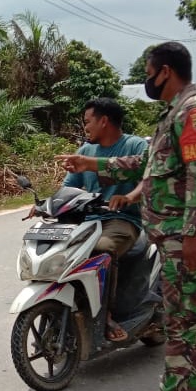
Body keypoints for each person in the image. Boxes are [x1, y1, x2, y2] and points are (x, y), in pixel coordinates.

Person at [57, 41, 196, 391]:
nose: (146, 79)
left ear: (165, 72)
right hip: (177, 232)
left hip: (189, 233)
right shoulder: (176, 112)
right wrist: (93, 162)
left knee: (183, 318)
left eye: (148, 71)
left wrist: (193, 236)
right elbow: (147, 163)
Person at [62, 98, 148, 343]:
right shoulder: (85, 151)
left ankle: (106, 315)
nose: (85, 127)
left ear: (104, 121)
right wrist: (46, 206)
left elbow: (147, 177)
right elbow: (69, 188)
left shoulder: (134, 145)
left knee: (102, 249)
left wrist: (129, 197)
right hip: (88, 221)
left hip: (122, 219)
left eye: (87, 121)